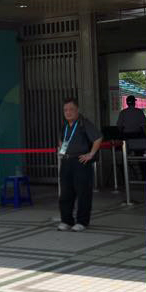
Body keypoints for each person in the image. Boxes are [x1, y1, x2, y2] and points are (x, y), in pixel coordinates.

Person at [58, 98, 102, 232]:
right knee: (65, 193)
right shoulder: (65, 125)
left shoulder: (84, 123)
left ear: (77, 110)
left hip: (80, 162)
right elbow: (61, 140)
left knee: (83, 193)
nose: (68, 112)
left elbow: (98, 138)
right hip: (66, 161)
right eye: (65, 110)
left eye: (71, 109)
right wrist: (62, 151)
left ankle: (82, 221)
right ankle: (66, 220)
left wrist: (90, 154)